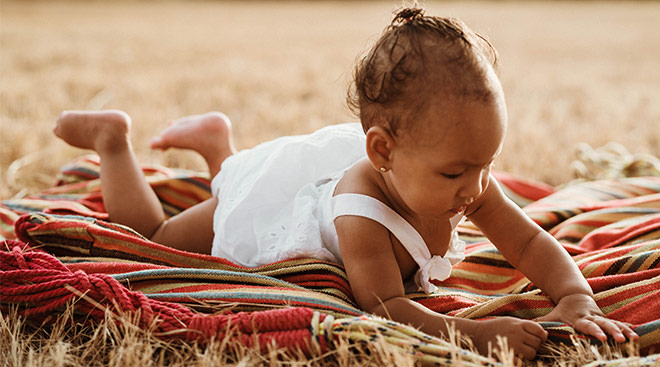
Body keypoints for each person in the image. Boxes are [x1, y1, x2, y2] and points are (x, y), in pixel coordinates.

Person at [52, 7, 637, 360]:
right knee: (158, 230)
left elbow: (530, 243)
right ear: (383, 151)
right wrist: (476, 334)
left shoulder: (465, 180)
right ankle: (115, 140)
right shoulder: (361, 216)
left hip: (342, 174)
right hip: (278, 209)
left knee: (227, 181)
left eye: (486, 163)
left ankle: (216, 146)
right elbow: (386, 308)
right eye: (456, 172)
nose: (476, 187)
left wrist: (574, 297)